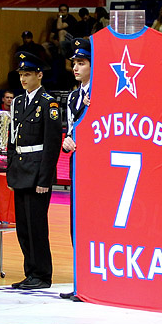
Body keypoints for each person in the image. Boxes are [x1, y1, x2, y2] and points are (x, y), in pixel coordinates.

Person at [7, 51, 62, 290]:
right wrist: (10, 169)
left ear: (39, 75)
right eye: (21, 74)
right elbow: (12, 139)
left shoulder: (47, 103)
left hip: (37, 171)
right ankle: (30, 271)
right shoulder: (18, 102)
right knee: (23, 226)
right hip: (20, 170)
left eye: (27, 74)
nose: (23, 79)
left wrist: (45, 178)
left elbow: (52, 144)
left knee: (36, 225)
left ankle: (42, 273)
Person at [60, 38, 92, 301]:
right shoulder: (72, 96)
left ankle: (96, 280)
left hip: (99, 168)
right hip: (78, 166)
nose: (76, 67)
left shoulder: (103, 92)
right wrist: (67, 141)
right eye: (74, 63)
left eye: (82, 63)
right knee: (76, 226)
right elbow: (71, 129)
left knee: (95, 224)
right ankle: (80, 281)